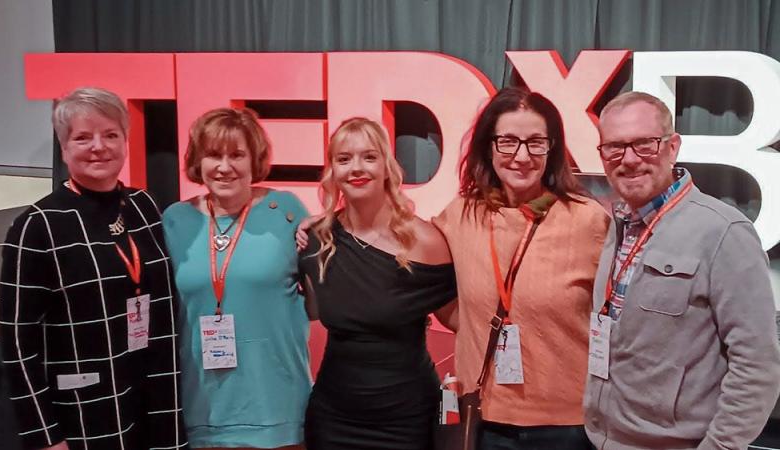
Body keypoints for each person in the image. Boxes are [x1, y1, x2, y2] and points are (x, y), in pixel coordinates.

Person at [584, 91, 780, 449]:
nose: (629, 159)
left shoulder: (723, 231)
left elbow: (757, 365)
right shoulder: (619, 223)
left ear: (672, 147)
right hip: (603, 439)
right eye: (614, 147)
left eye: (644, 144)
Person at [0, 87, 187, 450]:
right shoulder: (39, 225)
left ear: (125, 140)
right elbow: (18, 342)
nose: (99, 146)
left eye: (110, 134)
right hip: (87, 410)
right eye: (83, 137)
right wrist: (44, 436)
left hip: (155, 395)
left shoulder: (142, 206)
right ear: (64, 147)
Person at [432, 87, 609, 449]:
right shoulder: (462, 215)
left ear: (552, 148)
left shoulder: (588, 219)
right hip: (485, 419)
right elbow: (403, 249)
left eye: (535, 142)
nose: (522, 156)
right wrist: (320, 226)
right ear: (489, 146)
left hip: (568, 425)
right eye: (508, 142)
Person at [298, 117, 457, 450]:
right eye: (344, 159)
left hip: (408, 420)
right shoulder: (317, 240)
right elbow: (310, 309)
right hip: (333, 419)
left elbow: (461, 321)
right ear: (333, 172)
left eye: (369, 157)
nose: (357, 168)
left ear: (387, 166)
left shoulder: (425, 241)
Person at [162, 107, 310, 450]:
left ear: (254, 159)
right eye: (214, 155)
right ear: (198, 161)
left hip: (277, 407)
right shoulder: (174, 220)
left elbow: (325, 291)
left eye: (237, 155)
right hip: (203, 409)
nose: (225, 167)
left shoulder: (287, 211)